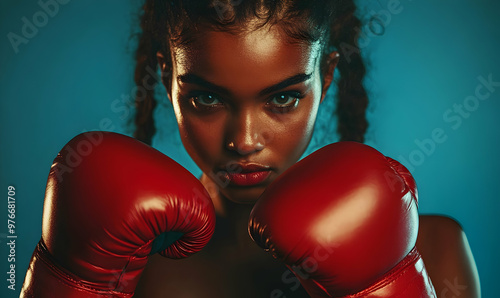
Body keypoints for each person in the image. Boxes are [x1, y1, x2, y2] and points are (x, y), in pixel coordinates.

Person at [129, 0, 480, 297]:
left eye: (283, 97)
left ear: (325, 78)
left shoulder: (434, 250)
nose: (245, 141)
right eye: (207, 98)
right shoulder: (128, 267)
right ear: (166, 78)